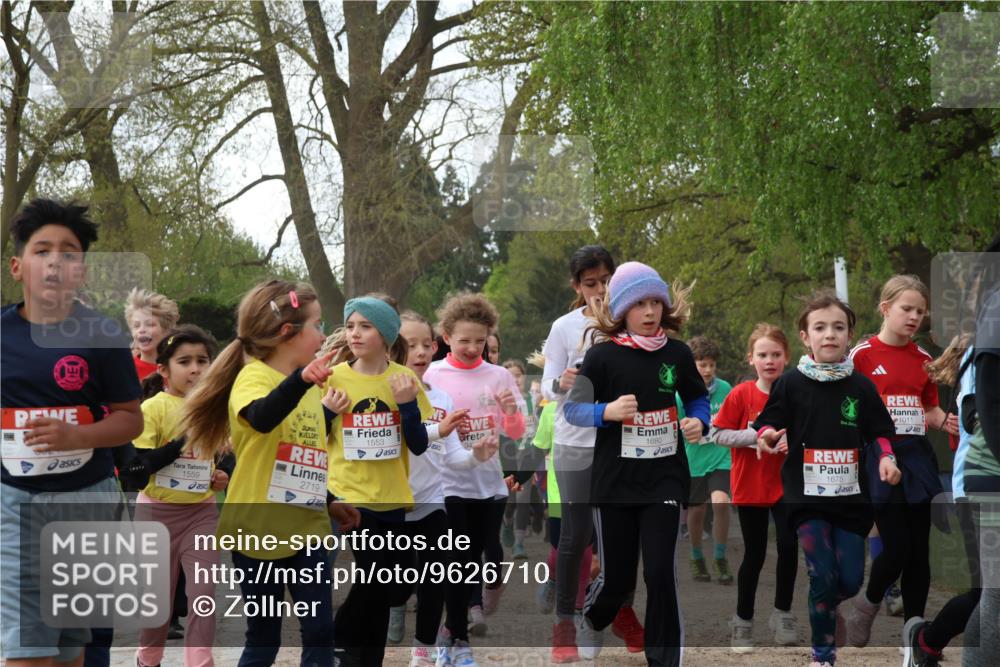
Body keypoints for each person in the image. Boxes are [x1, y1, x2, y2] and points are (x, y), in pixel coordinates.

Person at [180, 279, 359, 667]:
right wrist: (300, 380)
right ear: (286, 333)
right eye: (317, 325)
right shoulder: (254, 377)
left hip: (309, 528)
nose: (323, 335)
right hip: (256, 530)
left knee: (319, 631)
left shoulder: (311, 386)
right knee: (264, 637)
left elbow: (299, 457)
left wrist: (330, 502)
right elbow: (261, 418)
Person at [1, 198, 144, 667]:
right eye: (43, 250)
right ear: (19, 266)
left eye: (69, 252)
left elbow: (130, 419)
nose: (56, 261)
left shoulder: (102, 335)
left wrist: (76, 436)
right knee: (25, 646)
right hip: (15, 502)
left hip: (88, 499)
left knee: (67, 646)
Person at [564, 261, 710, 667]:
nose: (650, 312)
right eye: (640, 304)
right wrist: (606, 411)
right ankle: (592, 617)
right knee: (617, 580)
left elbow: (698, 398)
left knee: (661, 572)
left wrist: (700, 419)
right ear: (622, 310)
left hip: (664, 479)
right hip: (614, 483)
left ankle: (664, 659)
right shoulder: (602, 357)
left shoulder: (678, 354)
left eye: (656, 303)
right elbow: (572, 410)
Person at [755, 290, 901, 667]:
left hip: (851, 501)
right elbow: (769, 421)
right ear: (805, 337)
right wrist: (767, 434)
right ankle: (823, 656)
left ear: (849, 335)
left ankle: (833, 604)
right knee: (821, 573)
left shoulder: (861, 387)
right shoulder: (790, 384)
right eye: (820, 328)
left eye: (838, 327)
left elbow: (880, 431)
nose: (829, 334)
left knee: (849, 581)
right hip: (805, 500)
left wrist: (886, 458)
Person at [843, 275, 959, 647]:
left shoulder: (924, 359)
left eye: (920, 312)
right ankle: (866, 604)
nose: (914, 317)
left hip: (917, 458)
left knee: (919, 551)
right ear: (886, 309)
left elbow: (927, 408)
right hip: (879, 457)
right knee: (897, 548)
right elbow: (848, 407)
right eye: (906, 309)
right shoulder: (861, 355)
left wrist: (946, 420)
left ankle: (914, 634)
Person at [322, 297, 434, 667]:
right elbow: (313, 437)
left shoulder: (404, 379)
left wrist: (406, 404)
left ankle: (367, 657)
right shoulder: (334, 378)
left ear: (385, 334)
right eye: (351, 325)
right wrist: (326, 412)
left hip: (393, 498)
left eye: (365, 326)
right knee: (375, 578)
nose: (354, 333)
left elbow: (418, 444)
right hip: (351, 496)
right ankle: (339, 640)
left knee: (393, 586)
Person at [387, 311, 499, 667]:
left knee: (436, 578)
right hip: (390, 504)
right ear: (391, 349)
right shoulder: (380, 393)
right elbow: (406, 442)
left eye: (425, 344)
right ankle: (392, 608)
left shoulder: (442, 400)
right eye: (409, 345)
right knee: (400, 587)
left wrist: (476, 455)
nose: (420, 352)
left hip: (433, 500)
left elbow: (452, 458)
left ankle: (424, 653)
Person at [424, 293, 527, 667]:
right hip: (447, 481)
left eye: (480, 341)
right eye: (464, 340)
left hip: (488, 483)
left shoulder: (498, 376)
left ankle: (450, 630)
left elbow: (517, 431)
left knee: (475, 557)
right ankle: (457, 638)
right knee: (456, 558)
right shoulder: (432, 375)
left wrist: (511, 410)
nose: (472, 347)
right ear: (446, 337)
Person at [126, 326, 224, 667]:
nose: (196, 369)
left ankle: (200, 662)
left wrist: (218, 475)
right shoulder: (153, 408)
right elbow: (137, 470)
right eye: (185, 361)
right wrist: (183, 440)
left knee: (203, 595)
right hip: (156, 516)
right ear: (164, 370)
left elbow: (214, 460)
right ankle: (147, 659)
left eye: (203, 360)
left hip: (201, 513)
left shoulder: (213, 409)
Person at [711, 323, 799, 651]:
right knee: (756, 553)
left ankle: (783, 613)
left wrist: (793, 440)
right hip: (750, 485)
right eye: (763, 354)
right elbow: (718, 433)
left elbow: (811, 430)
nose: (770, 360)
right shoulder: (742, 394)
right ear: (751, 359)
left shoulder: (797, 392)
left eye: (776, 354)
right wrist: (756, 437)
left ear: (787, 357)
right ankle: (742, 621)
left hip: (788, 485)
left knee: (789, 548)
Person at [682, 336, 734, 585]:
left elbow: (734, 419)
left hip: (721, 455)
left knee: (721, 503)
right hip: (693, 459)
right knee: (697, 509)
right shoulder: (681, 394)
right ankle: (696, 556)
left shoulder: (725, 389)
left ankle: (720, 557)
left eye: (712, 364)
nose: (708, 370)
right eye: (702, 364)